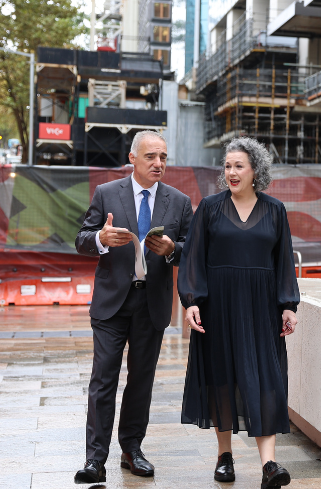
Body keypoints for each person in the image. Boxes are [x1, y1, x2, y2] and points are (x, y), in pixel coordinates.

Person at [178, 137, 299, 489]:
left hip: (261, 309)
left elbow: (283, 263)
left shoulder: (275, 210)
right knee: (223, 378)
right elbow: (194, 258)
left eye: (238, 166)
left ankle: (270, 464)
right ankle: (225, 456)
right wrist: (192, 301)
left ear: (255, 171)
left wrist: (288, 305)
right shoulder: (211, 208)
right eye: (227, 166)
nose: (231, 172)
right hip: (218, 306)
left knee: (265, 380)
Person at [74, 131, 193, 484]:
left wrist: (172, 249)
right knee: (103, 379)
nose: (159, 164)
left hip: (152, 303)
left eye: (164, 158)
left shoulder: (180, 201)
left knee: (141, 381)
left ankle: (132, 450)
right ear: (133, 158)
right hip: (111, 304)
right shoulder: (107, 193)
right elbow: (82, 239)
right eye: (151, 157)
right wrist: (100, 239)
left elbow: (193, 250)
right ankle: (95, 459)